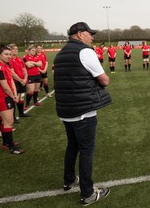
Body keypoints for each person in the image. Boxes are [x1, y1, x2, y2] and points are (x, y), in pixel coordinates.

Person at [53, 22, 111, 205]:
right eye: (89, 34)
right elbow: (104, 80)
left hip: (65, 109)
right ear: (79, 34)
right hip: (83, 110)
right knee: (86, 151)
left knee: (73, 146)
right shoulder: (85, 51)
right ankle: (87, 193)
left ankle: (69, 180)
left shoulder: (60, 53)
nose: (92, 37)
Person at [0, 45, 24, 154]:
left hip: (6, 95)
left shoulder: (5, 65)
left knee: (6, 121)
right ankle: (11, 147)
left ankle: (5, 143)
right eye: (6, 54)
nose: (9, 56)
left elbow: (11, 81)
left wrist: (15, 93)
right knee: (9, 121)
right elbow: (4, 86)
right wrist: (13, 96)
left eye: (10, 54)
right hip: (2, 96)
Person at [8, 44, 29, 119]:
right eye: (13, 49)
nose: (16, 50)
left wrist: (25, 79)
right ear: (10, 50)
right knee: (15, 99)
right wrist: (21, 80)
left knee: (22, 97)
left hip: (23, 82)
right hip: (15, 83)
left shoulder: (19, 59)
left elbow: (25, 70)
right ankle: (13, 117)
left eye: (16, 49)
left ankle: (21, 113)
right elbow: (12, 73)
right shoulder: (9, 60)